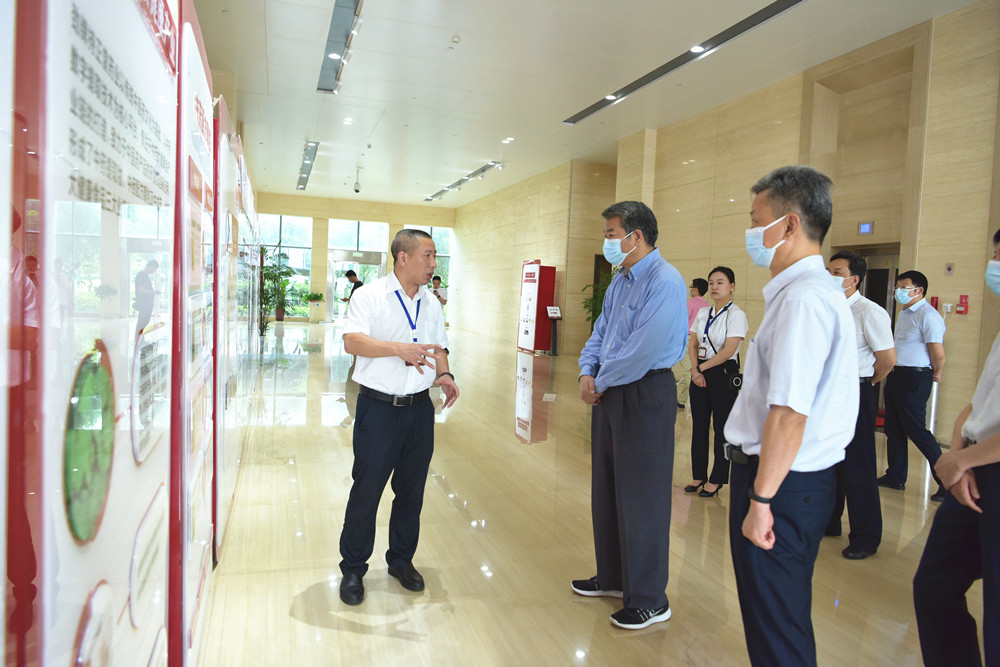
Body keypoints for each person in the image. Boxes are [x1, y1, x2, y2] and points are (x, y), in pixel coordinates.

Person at [723, 166, 858, 666]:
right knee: (775, 616)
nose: (751, 232)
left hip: (781, 482)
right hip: (788, 478)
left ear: (789, 224)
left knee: (777, 623)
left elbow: (789, 413)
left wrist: (761, 499)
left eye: (756, 220)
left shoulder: (803, 300)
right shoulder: (807, 292)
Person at [573, 200, 687, 630]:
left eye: (611, 234)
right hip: (611, 390)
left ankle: (649, 598)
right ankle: (614, 577)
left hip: (644, 392)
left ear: (636, 236)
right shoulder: (620, 281)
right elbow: (600, 333)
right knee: (608, 488)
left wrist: (599, 381)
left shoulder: (665, 282)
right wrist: (587, 371)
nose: (606, 241)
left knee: (643, 496)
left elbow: (643, 350)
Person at [337, 229, 459, 606]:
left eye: (434, 256)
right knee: (367, 490)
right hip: (378, 410)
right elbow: (352, 341)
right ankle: (353, 568)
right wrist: (397, 349)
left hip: (419, 411)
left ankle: (401, 560)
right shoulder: (370, 295)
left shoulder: (431, 303)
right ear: (403, 258)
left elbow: (439, 347)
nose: (433, 264)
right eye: (427, 255)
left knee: (411, 491)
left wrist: (445, 374)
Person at [913, 228, 1000, 666]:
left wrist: (962, 459)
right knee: (935, 585)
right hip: (976, 463)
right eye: (996, 255)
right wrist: (958, 454)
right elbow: (980, 402)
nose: (995, 266)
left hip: (988, 464)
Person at [825, 250, 896, 559]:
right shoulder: (826, 307)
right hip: (827, 392)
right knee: (830, 461)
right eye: (828, 271)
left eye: (837, 272)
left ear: (854, 279)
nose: (829, 277)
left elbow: (887, 360)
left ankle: (866, 536)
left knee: (858, 465)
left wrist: (866, 383)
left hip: (855, 390)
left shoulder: (870, 312)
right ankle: (829, 522)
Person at [878, 269, 947, 501]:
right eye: (897, 287)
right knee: (894, 428)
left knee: (917, 431)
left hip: (915, 378)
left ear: (919, 290)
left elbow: (938, 353)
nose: (898, 291)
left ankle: (947, 483)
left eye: (904, 287)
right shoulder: (905, 313)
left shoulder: (928, 315)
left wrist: (937, 372)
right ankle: (895, 476)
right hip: (897, 375)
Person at [684, 266, 748, 498]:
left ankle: (717, 478)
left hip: (722, 373)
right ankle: (698, 475)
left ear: (731, 286)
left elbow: (729, 350)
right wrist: (695, 370)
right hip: (699, 371)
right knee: (699, 425)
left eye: (720, 282)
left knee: (722, 427)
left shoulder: (736, 315)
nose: (714, 287)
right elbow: (693, 343)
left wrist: (700, 369)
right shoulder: (703, 312)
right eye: (711, 282)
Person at [677, 278, 709, 409]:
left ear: (695, 289)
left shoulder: (690, 304)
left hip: (689, 340)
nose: (690, 289)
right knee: (696, 368)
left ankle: (685, 400)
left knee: (688, 371)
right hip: (702, 342)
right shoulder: (708, 306)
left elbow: (681, 321)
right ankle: (689, 399)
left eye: (691, 287)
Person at [134, 260, 159, 339]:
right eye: (154, 269)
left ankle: (141, 338)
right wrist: (154, 292)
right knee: (143, 321)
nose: (154, 271)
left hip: (146, 303)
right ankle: (139, 338)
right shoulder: (142, 275)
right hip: (144, 303)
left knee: (144, 321)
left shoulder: (144, 276)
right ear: (150, 267)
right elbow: (141, 289)